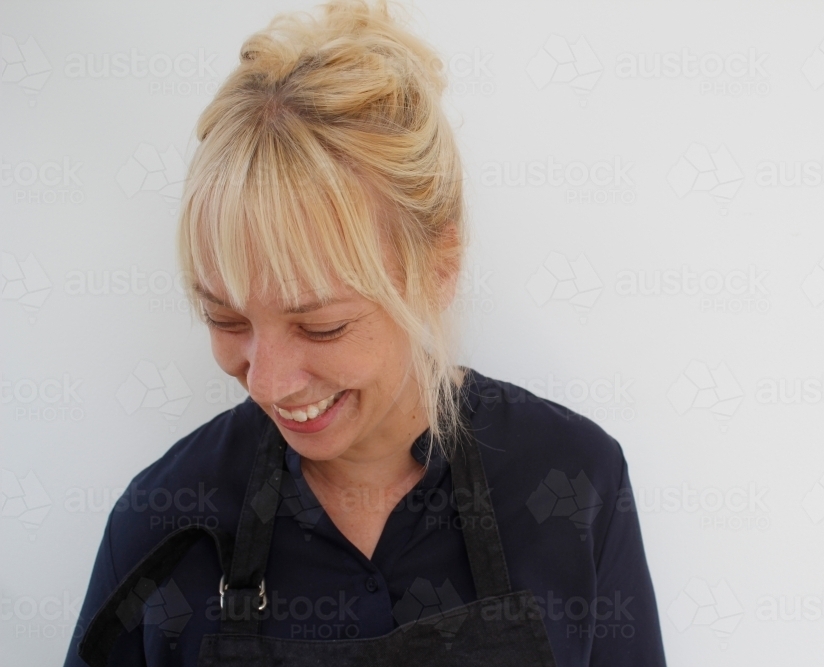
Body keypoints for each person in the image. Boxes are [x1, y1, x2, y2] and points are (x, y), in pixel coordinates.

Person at [63, 1, 667, 665]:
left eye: (321, 325)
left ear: (439, 267)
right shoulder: (158, 525)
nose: (266, 382)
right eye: (226, 319)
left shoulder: (573, 484)